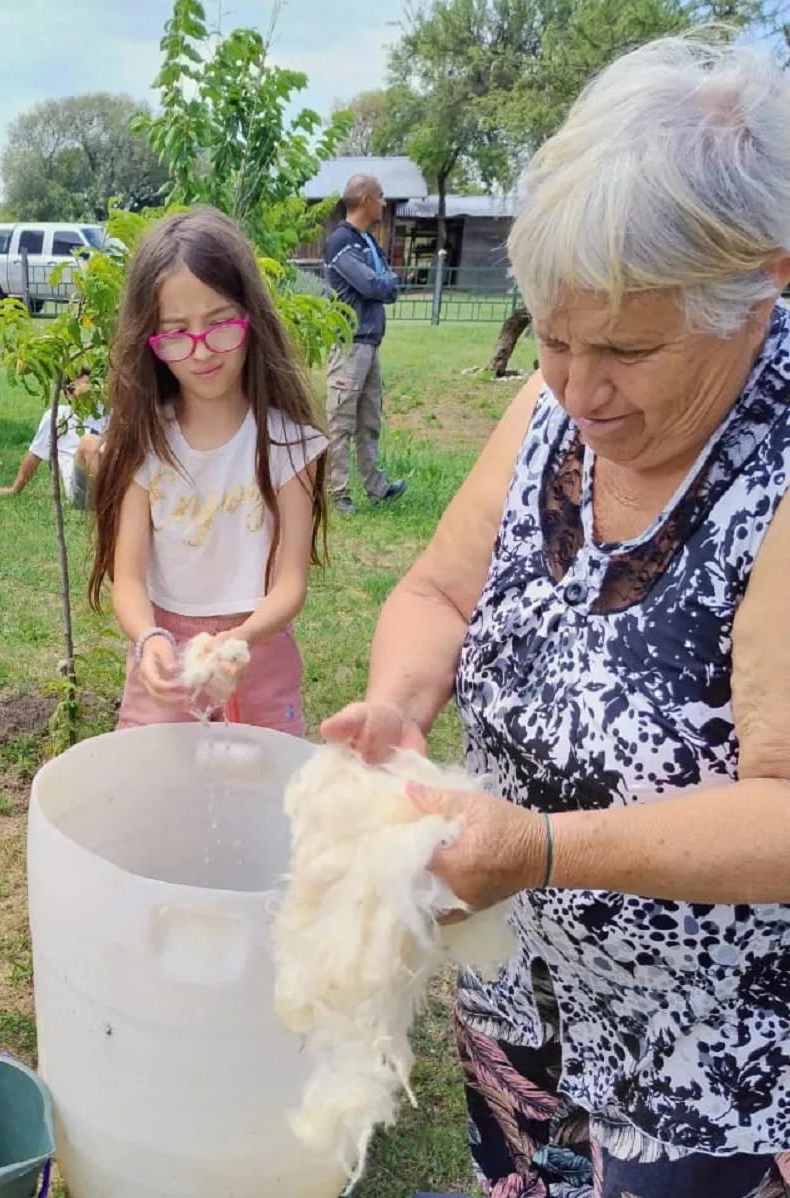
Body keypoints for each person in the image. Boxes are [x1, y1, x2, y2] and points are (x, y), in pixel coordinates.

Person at [323, 36, 790, 1198]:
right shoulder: (557, 400)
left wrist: (537, 850)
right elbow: (438, 590)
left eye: (626, 348)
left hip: (699, 1053)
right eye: (554, 337)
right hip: (518, 984)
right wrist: (395, 704)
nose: (577, 389)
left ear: (759, 288)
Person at [89, 207, 327, 736]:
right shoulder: (143, 443)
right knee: (158, 799)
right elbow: (127, 581)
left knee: (261, 802)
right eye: (175, 333)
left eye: (220, 325)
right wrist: (150, 640)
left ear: (251, 316)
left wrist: (238, 640)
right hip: (167, 665)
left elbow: (290, 585)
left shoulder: (288, 444)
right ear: (150, 338)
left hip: (258, 656)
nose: (200, 351)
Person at [322, 175, 406, 515]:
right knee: (341, 422)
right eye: (381, 197)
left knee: (369, 419)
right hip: (349, 345)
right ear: (365, 199)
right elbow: (373, 285)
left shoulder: (365, 241)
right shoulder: (341, 242)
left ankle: (376, 487)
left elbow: (388, 280)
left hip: (369, 344)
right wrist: (384, 284)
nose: (385, 204)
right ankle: (338, 494)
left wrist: (385, 284)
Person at [0, 373, 107, 510]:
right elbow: (35, 454)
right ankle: (108, 501)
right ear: (70, 393)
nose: (91, 394)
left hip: (112, 475)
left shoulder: (106, 413)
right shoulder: (58, 416)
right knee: (90, 442)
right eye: (86, 389)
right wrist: (14, 489)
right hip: (82, 489)